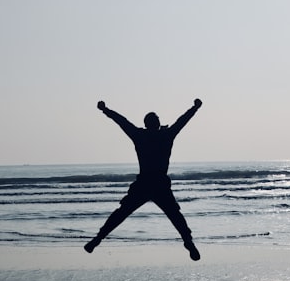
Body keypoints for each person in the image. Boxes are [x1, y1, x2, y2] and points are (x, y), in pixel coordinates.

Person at [84, 98, 203, 260]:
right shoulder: (166, 135)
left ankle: (97, 239)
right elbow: (182, 121)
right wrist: (194, 108)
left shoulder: (139, 135)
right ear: (157, 123)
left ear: (146, 124)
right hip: (160, 183)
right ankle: (188, 241)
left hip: (144, 183)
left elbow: (122, 121)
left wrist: (105, 110)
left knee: (121, 213)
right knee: (175, 215)